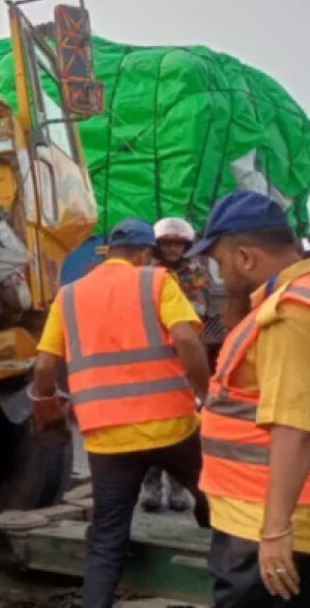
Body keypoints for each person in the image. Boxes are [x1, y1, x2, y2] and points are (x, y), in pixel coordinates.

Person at [189, 190, 310, 608]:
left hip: (275, 521)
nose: (220, 274)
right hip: (306, 511)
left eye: (219, 262)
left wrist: (275, 531)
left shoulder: (291, 315)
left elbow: (293, 429)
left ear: (245, 258)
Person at [32, 218, 211, 608]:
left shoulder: (69, 295)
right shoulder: (157, 281)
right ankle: (219, 585)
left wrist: (48, 410)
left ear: (108, 252)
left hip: (107, 438)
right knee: (212, 497)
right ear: (145, 253)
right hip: (173, 427)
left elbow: (44, 366)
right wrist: (206, 394)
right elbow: (185, 338)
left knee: (107, 535)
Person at [140, 217, 209, 514]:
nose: (172, 249)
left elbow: (199, 308)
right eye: (166, 244)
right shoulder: (147, 272)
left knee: (182, 423)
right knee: (150, 425)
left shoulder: (195, 272)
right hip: (153, 354)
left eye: (177, 244)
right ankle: (151, 488)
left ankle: (179, 488)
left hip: (183, 351)